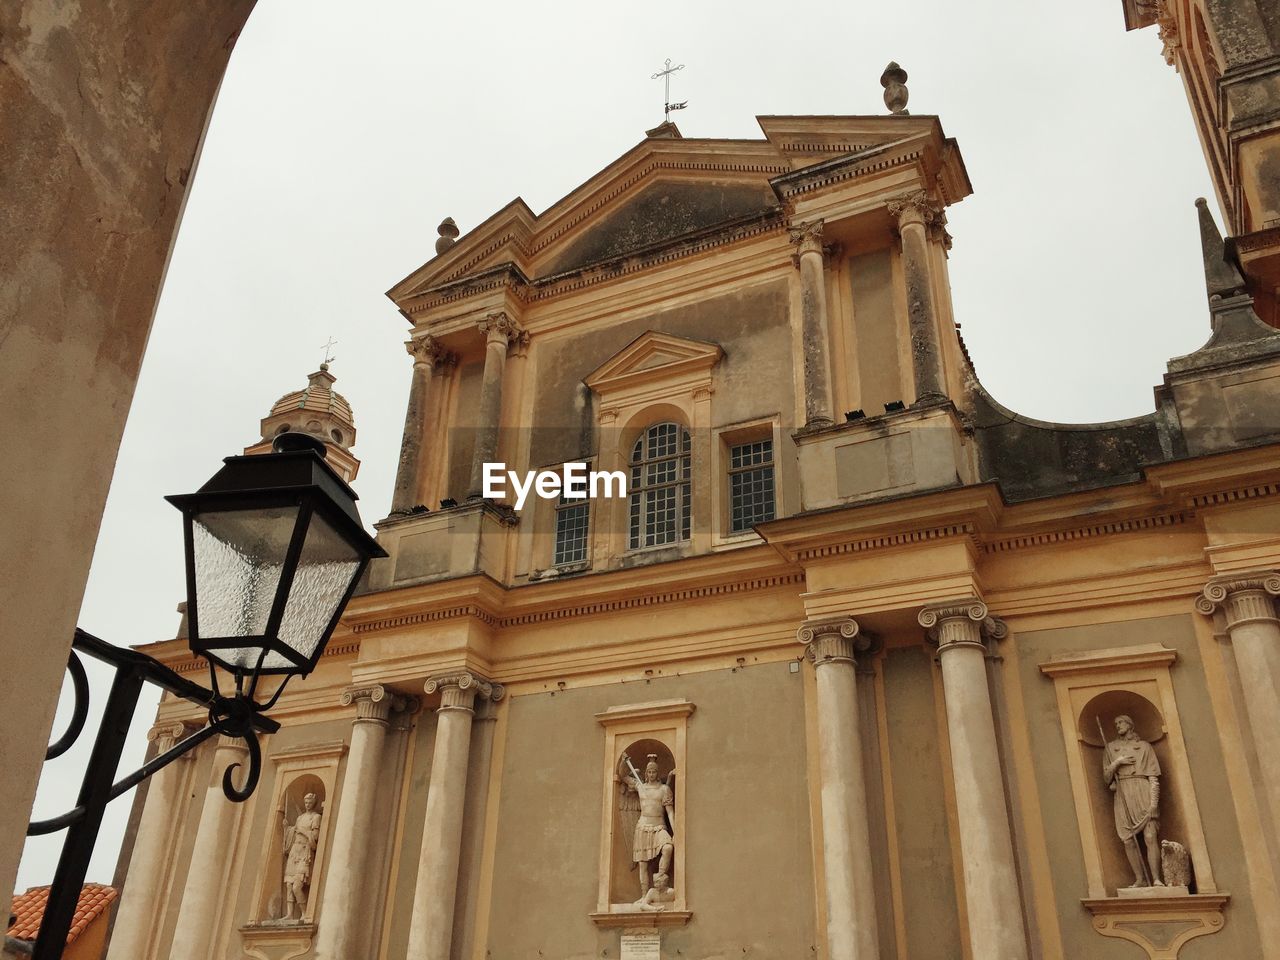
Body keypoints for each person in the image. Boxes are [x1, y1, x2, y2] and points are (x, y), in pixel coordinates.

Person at [1102, 715, 1163, 888]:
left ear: (1130, 725)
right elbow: (1106, 778)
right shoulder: (1110, 748)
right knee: (1127, 839)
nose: (1117, 726)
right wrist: (1117, 763)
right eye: (1115, 724)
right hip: (1122, 792)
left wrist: (1153, 803)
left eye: (1120, 722)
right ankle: (1140, 879)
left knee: (1150, 836)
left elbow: (1153, 777)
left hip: (1142, 790)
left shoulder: (1144, 747)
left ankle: (1157, 878)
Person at [618, 756, 675, 898]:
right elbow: (622, 776)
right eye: (649, 772)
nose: (651, 774)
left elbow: (670, 812)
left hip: (659, 826)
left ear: (657, 773)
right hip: (643, 827)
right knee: (642, 864)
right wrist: (623, 761)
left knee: (668, 848)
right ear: (646, 773)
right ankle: (644, 896)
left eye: (654, 772)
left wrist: (676, 831)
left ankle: (660, 883)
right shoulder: (639, 786)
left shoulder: (664, 789)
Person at [283, 792, 323, 920]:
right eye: (306, 802)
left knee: (297, 886)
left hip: (305, 852)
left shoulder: (316, 817)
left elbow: (315, 836)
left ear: (314, 803)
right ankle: (289, 914)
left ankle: (304, 913)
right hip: (295, 850)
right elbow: (293, 833)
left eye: (310, 803)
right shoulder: (300, 818)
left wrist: (303, 831)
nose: (307, 805)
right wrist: (287, 829)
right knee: (289, 884)